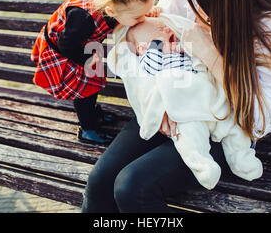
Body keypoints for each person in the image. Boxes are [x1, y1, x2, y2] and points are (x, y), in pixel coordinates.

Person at [82, 0, 271, 212]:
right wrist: (136, 41)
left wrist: (210, 54)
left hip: (220, 125)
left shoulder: (269, 26)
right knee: (99, 182)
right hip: (166, 110)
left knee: (132, 187)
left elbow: (262, 118)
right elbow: (141, 41)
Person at [107, 13, 263, 191]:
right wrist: (157, 45)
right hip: (183, 110)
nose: (165, 29)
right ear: (143, 47)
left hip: (205, 100)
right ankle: (203, 165)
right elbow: (152, 70)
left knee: (231, 128)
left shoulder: (175, 48)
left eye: (164, 27)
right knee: (190, 138)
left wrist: (180, 46)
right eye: (157, 30)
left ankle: (242, 158)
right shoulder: (149, 56)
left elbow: (195, 53)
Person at [31, 0, 159, 145]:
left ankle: (93, 112)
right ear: (111, 9)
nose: (141, 19)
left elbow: (124, 17)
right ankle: (87, 129)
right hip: (65, 51)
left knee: (92, 84)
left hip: (85, 46)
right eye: (137, 16)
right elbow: (65, 43)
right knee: (84, 90)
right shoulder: (85, 19)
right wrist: (87, 58)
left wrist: (146, 14)